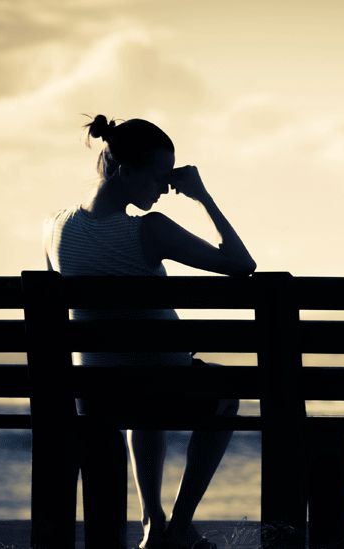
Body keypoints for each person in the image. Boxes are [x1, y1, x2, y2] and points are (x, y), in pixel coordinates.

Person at [43, 114, 256, 549]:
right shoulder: (150, 230)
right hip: (160, 384)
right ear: (123, 172)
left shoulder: (54, 227)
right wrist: (202, 196)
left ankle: (151, 523)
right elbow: (241, 265)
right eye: (159, 177)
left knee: (141, 390)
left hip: (93, 393)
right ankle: (176, 525)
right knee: (226, 393)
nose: (165, 189)